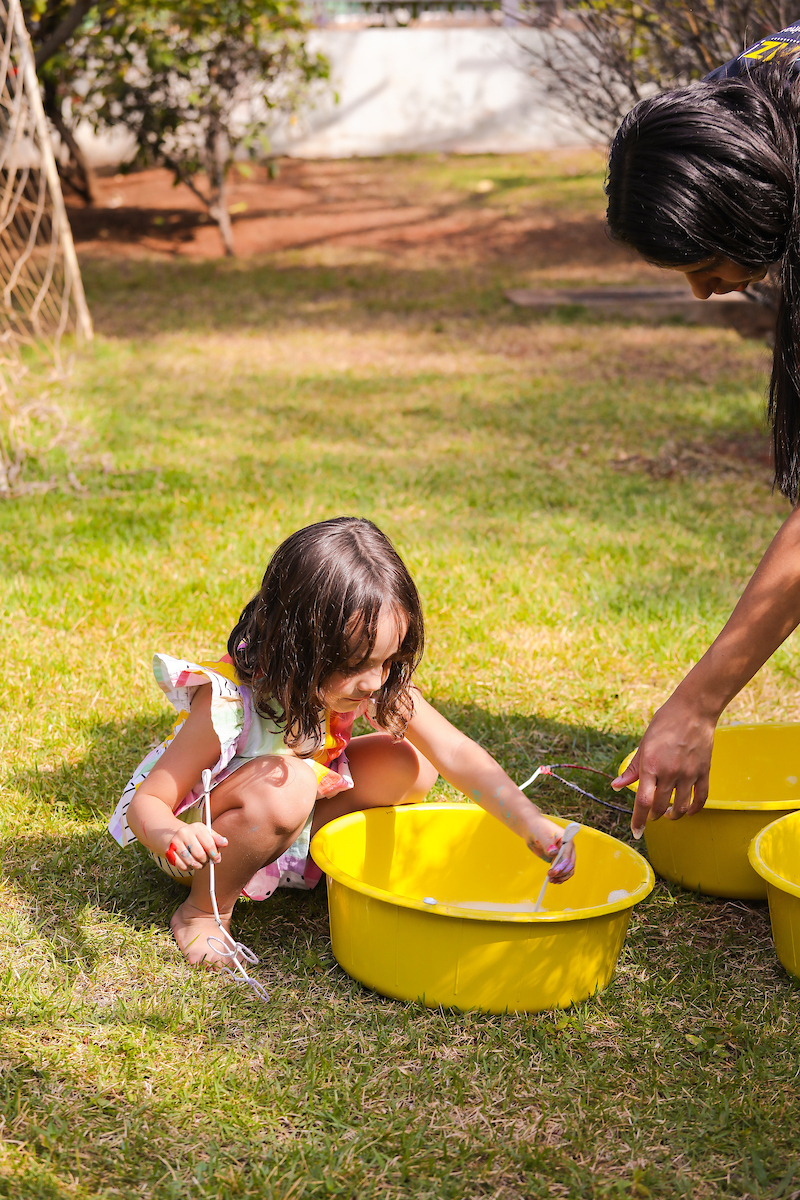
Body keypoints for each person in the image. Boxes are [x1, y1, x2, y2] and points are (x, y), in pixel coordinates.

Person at [109, 517, 575, 966]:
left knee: (411, 762)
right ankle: (203, 912)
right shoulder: (230, 703)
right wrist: (176, 837)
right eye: (355, 664)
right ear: (297, 646)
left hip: (290, 805)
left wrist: (529, 824)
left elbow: (453, 751)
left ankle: (298, 853)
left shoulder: (358, 684)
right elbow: (147, 803)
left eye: (389, 660)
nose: (375, 682)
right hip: (202, 840)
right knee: (287, 780)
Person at [605, 26, 800, 837]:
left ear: (748, 205)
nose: (700, 293)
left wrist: (698, 702)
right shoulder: (745, 104)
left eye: (703, 263)